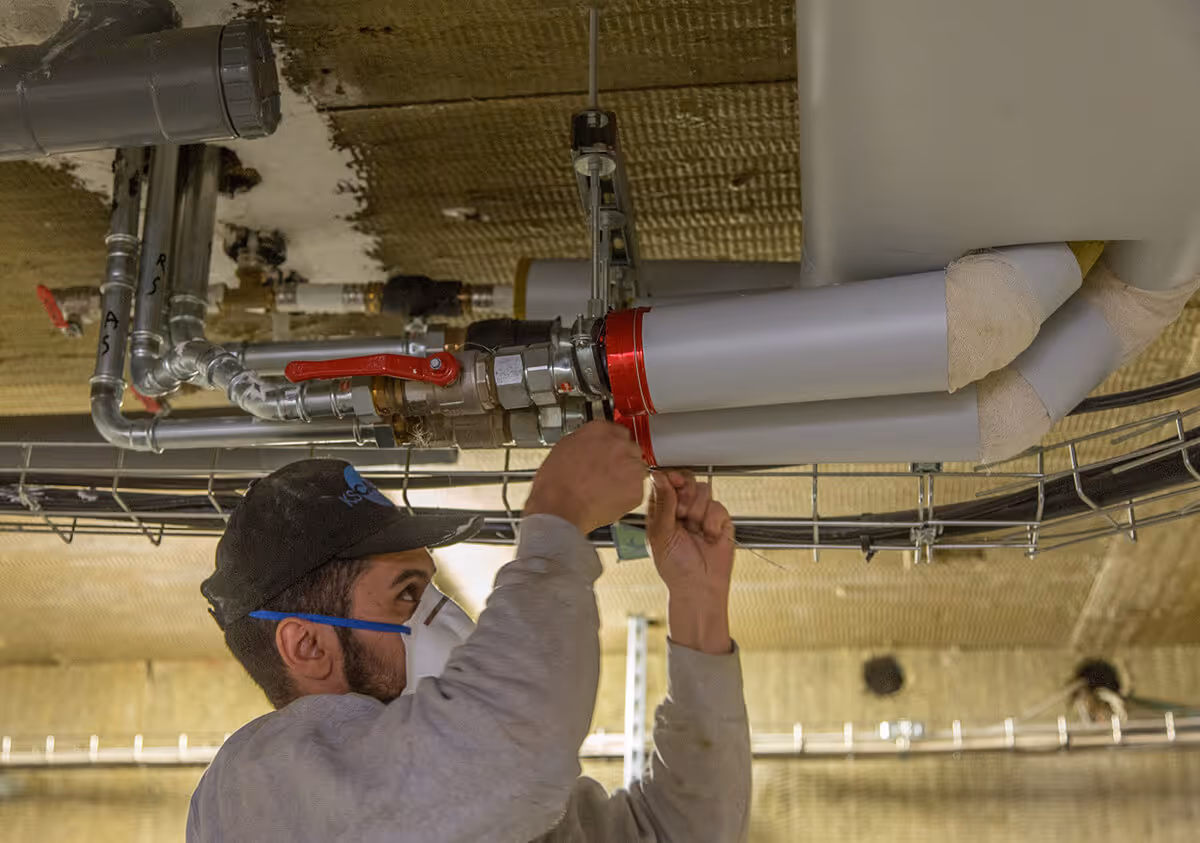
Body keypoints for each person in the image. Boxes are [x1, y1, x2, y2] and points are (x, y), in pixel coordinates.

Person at [188, 421, 751, 842]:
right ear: (307, 645)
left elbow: (671, 831)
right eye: (406, 594)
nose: (443, 615)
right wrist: (558, 513)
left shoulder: (461, 805)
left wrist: (698, 606)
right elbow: (509, 752)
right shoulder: (256, 793)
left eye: (431, 590)